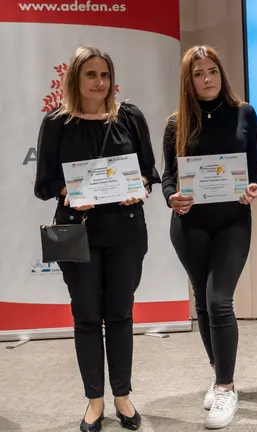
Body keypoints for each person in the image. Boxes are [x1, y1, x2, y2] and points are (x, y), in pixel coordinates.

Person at [34, 46, 160, 432]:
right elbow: (43, 185)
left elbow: (149, 172)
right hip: (78, 233)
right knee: (87, 317)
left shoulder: (130, 117)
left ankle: (122, 396)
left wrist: (139, 186)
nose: (99, 82)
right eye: (90, 75)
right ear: (75, 78)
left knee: (120, 315)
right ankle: (94, 401)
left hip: (125, 230)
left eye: (104, 74)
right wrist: (66, 192)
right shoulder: (57, 123)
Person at [162, 45, 257, 429]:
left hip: (233, 221)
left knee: (219, 301)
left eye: (213, 71)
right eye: (199, 73)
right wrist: (172, 196)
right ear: (189, 80)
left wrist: (251, 187)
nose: (207, 79)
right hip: (190, 225)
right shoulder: (176, 123)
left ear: (222, 74)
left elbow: (252, 168)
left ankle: (225, 387)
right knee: (203, 304)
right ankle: (219, 372)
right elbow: (169, 175)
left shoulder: (244, 114)